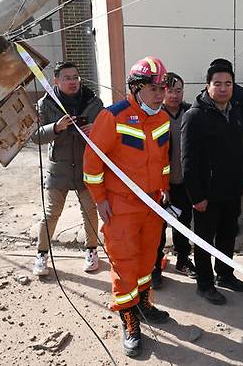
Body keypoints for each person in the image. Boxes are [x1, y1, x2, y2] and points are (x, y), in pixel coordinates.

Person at [83, 57, 172, 357]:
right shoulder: (113, 116)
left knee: (148, 256)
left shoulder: (162, 118)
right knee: (124, 262)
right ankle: (128, 316)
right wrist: (100, 199)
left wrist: (164, 192)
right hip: (120, 206)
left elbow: (163, 162)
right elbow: (92, 164)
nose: (160, 94)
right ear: (135, 88)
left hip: (152, 203)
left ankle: (143, 302)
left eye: (163, 87)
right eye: (153, 88)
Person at [181, 63, 243, 306]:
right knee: (204, 239)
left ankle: (225, 274)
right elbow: (187, 162)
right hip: (207, 195)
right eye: (217, 84)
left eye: (228, 84)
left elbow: (242, 150)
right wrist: (196, 196)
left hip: (231, 190)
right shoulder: (195, 116)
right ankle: (204, 283)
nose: (223, 89)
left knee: (227, 235)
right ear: (207, 86)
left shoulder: (235, 112)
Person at [32, 62, 103, 277]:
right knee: (51, 214)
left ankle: (91, 251)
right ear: (56, 81)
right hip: (58, 168)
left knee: (90, 212)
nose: (72, 82)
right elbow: (34, 136)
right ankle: (42, 254)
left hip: (86, 166)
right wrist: (56, 127)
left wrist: (96, 130)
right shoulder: (45, 104)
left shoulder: (94, 102)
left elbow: (110, 132)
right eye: (67, 78)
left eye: (75, 77)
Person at [151, 73, 196, 289]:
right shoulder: (154, 115)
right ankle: (155, 267)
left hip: (185, 182)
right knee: (157, 228)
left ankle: (183, 260)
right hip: (160, 184)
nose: (175, 95)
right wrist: (162, 184)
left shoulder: (191, 112)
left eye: (179, 90)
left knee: (184, 224)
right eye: (170, 91)